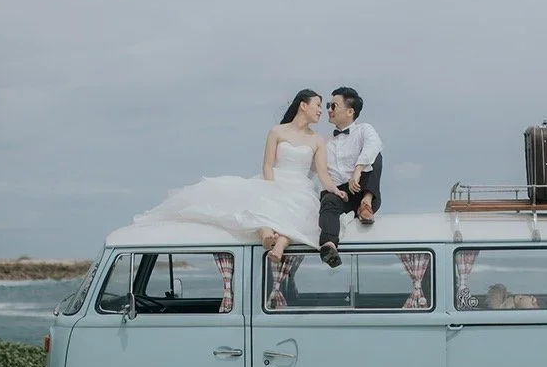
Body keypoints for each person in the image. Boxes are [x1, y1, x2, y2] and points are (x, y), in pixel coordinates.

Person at [132, 89, 347, 262]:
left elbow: (322, 174)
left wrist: (335, 190)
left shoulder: (318, 140)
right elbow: (267, 164)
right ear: (303, 105)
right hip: (274, 180)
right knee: (265, 204)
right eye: (318, 105)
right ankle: (266, 235)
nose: (322, 110)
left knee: (301, 212)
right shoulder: (277, 132)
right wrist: (272, 188)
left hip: (301, 186)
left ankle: (279, 245)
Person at [317, 86, 385, 268]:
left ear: (350, 111)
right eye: (328, 106)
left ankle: (366, 204)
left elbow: (374, 144)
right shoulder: (323, 140)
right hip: (340, 192)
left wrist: (358, 169)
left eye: (333, 105)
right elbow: (316, 169)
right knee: (328, 201)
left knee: (376, 155)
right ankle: (329, 246)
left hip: (364, 188)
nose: (329, 110)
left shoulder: (364, 130)